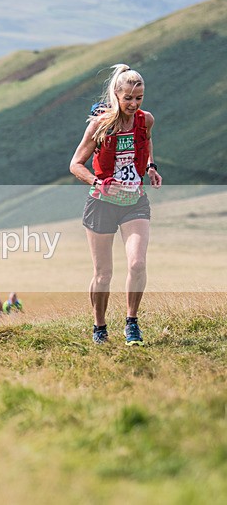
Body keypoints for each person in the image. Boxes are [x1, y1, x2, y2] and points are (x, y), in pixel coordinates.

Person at [70, 64, 162, 346]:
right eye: (129, 99)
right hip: (102, 204)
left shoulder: (145, 120)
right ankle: (99, 327)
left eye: (139, 98)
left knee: (137, 263)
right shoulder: (100, 125)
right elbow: (75, 165)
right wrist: (97, 183)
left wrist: (150, 167)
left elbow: (145, 145)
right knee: (103, 274)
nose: (134, 104)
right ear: (116, 97)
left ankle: (132, 323)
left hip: (134, 201)